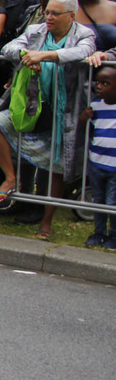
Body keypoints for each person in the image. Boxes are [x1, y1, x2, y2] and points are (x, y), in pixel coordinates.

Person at [0, 0, 95, 239]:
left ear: (71, 17)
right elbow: (9, 47)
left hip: (65, 112)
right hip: (32, 106)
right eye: (47, 12)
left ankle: (46, 221)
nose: (49, 17)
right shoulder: (36, 30)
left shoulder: (84, 34)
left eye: (55, 13)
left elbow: (82, 52)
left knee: (57, 167)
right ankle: (11, 178)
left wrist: (43, 56)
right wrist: (26, 55)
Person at [79, 64, 116, 248]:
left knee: (112, 203)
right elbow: (87, 128)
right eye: (97, 82)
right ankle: (98, 233)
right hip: (96, 163)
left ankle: (113, 235)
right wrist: (84, 117)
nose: (99, 87)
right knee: (98, 201)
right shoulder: (95, 106)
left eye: (105, 83)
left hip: (114, 166)